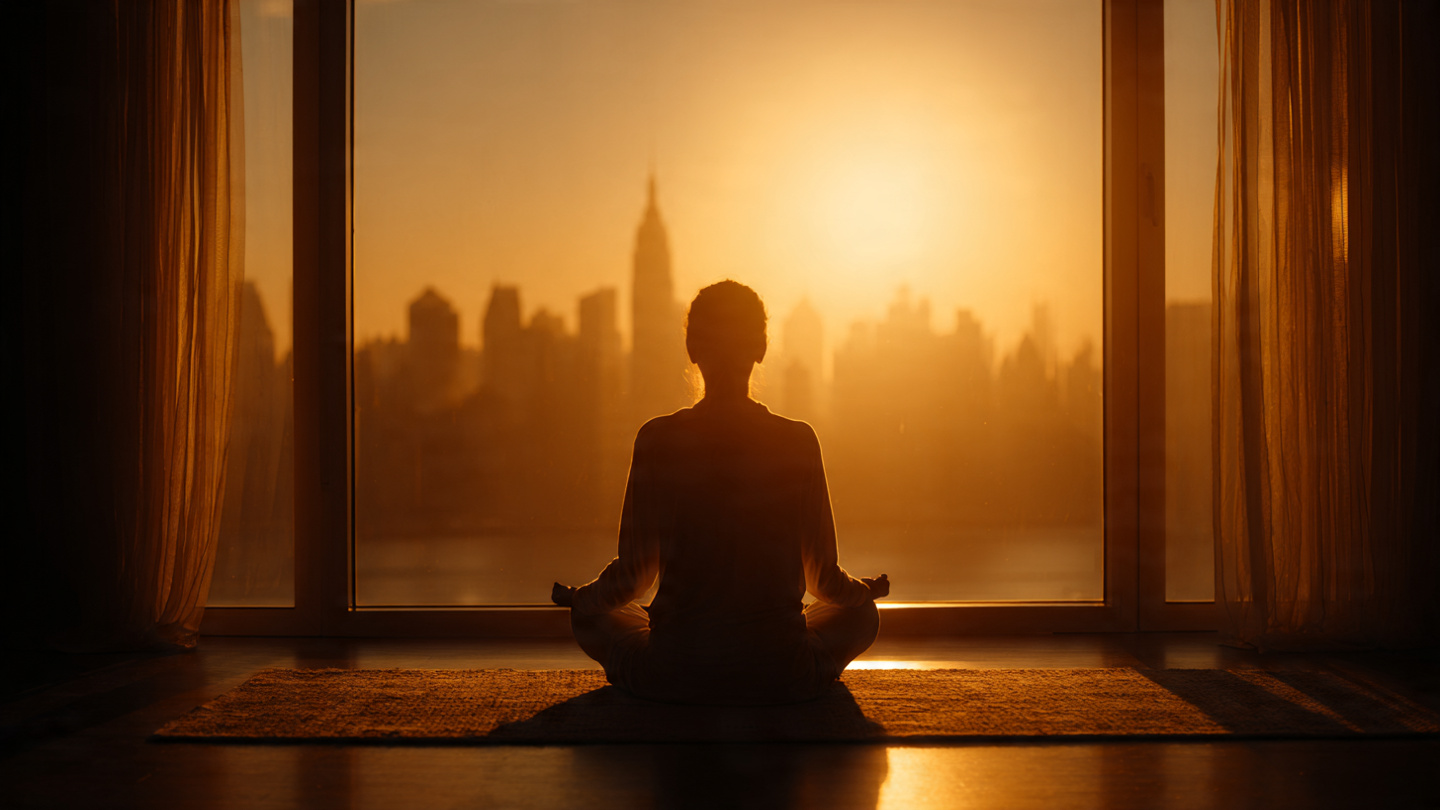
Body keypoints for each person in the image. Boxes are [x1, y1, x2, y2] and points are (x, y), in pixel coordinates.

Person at [552, 280, 889, 705]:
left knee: (593, 618)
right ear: (761, 348)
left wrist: (580, 598)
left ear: (692, 349)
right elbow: (822, 580)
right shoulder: (798, 441)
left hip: (674, 673)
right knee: (860, 616)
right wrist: (863, 592)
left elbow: (632, 578)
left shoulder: (657, 440)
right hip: (781, 672)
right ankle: (785, 667)